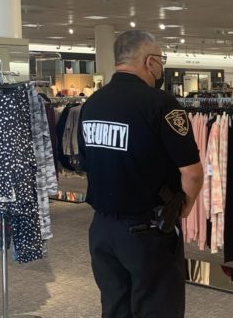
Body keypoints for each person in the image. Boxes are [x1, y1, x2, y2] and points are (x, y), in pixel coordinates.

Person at [78, 30, 203, 317]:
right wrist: (185, 207)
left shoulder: (92, 104)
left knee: (115, 307)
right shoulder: (161, 104)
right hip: (147, 230)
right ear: (150, 62)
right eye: (161, 60)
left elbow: (87, 161)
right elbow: (192, 172)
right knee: (157, 309)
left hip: (102, 230)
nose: (161, 66)